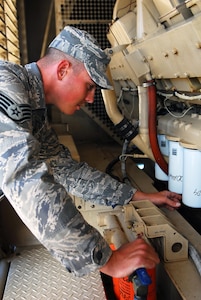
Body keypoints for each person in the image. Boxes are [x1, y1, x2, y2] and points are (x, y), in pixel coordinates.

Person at [0, 26, 181, 278]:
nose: (90, 98)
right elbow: (25, 177)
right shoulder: (6, 83)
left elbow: (67, 171)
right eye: (88, 85)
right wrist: (106, 260)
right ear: (62, 69)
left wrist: (138, 196)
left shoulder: (34, 111)